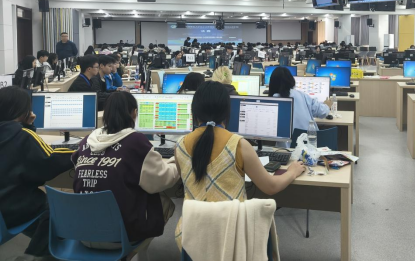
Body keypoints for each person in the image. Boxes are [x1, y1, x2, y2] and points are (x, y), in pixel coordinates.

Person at [173, 81, 306, 250]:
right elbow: (271, 187)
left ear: (195, 112)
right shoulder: (238, 145)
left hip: (190, 238)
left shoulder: (179, 146)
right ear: (227, 112)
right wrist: (292, 171)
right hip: (231, 238)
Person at [72, 92, 178, 257]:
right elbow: (162, 179)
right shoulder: (136, 142)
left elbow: (75, 163)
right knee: (163, 200)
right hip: (119, 238)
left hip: (83, 233)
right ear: (134, 113)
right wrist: (176, 160)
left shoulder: (86, 141)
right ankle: (135, 253)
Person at [0, 86, 73, 258]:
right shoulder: (23, 135)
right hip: (13, 208)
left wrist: (26, 126)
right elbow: (50, 161)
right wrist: (81, 151)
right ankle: (38, 254)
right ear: (23, 110)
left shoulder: (16, 133)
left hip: (3, 209)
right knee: (58, 207)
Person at [268, 66, 330, 133]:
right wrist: (327, 105)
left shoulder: (270, 102)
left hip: (284, 139)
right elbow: (322, 112)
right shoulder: (302, 95)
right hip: (308, 138)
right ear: (291, 80)